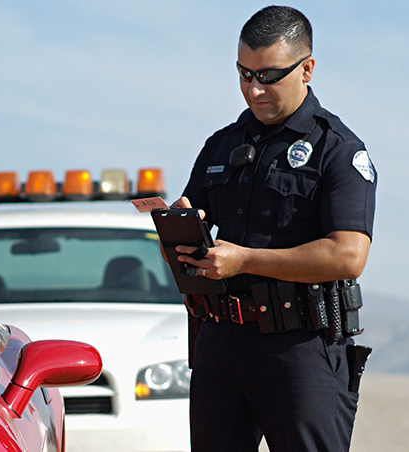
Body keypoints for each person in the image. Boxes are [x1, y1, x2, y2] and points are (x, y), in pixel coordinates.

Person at [168, 6, 376, 452]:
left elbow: (347, 255)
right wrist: (186, 226)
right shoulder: (221, 145)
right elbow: (196, 220)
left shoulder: (337, 150)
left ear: (307, 69)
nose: (254, 89)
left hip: (300, 349)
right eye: (244, 74)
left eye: (268, 76)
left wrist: (245, 258)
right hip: (221, 343)